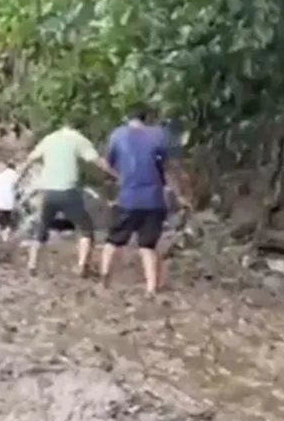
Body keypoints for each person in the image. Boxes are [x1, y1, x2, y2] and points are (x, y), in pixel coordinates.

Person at [14, 125, 117, 275]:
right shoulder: (77, 139)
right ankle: (82, 266)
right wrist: (115, 175)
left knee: (41, 229)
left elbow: (29, 160)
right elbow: (97, 161)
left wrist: (17, 180)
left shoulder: (49, 139)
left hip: (48, 192)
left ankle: (32, 264)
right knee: (86, 228)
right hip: (68, 192)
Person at [99, 103, 178, 295]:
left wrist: (117, 177)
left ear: (127, 118)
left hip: (128, 197)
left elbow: (106, 163)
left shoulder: (118, 134)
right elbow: (167, 162)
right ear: (146, 118)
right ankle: (151, 287)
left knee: (113, 240)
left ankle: (104, 277)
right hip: (153, 199)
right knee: (148, 245)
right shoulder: (158, 134)